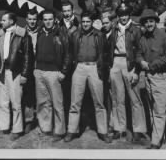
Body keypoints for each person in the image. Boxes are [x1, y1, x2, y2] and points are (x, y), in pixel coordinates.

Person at [65, 12, 112, 143]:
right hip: (79, 67)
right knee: (75, 102)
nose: (85, 24)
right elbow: (70, 53)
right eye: (83, 22)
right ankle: (71, 131)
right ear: (81, 22)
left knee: (99, 102)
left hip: (94, 68)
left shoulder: (100, 35)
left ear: (92, 22)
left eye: (88, 22)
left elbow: (106, 53)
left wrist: (103, 67)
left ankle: (103, 132)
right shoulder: (75, 35)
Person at [107, 3, 149, 143]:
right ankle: (120, 128)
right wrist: (110, 66)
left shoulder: (135, 30)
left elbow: (139, 51)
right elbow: (108, 47)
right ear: (118, 16)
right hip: (116, 63)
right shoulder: (114, 28)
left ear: (129, 15)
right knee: (117, 98)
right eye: (120, 15)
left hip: (130, 63)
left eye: (125, 14)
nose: (123, 17)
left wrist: (137, 70)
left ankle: (139, 130)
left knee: (135, 98)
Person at [0, 12, 33, 141]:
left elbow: (27, 56)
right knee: (2, 102)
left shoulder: (23, 34)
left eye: (4, 20)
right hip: (2, 72)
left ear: (12, 21)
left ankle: (17, 129)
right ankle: (4, 128)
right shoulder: (0, 34)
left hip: (16, 72)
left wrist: (25, 74)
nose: (1, 22)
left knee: (16, 102)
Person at [34, 10, 71, 142]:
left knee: (57, 103)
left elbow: (67, 53)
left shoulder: (61, 33)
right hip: (39, 71)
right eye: (45, 19)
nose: (48, 22)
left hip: (54, 72)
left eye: (50, 19)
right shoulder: (39, 32)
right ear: (42, 20)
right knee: (43, 102)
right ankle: (46, 128)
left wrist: (63, 72)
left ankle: (60, 131)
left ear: (54, 19)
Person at [139, 9, 166, 149]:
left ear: (156, 22)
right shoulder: (143, 38)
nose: (149, 24)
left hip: (159, 76)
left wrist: (151, 66)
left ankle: (155, 141)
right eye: (146, 22)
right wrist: (141, 61)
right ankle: (159, 136)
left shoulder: (165, 37)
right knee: (152, 109)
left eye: (151, 21)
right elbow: (138, 53)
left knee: (159, 109)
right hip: (147, 77)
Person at [23, 9, 40, 133]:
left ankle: (41, 120)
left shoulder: (41, 31)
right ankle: (29, 120)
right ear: (26, 20)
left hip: (39, 66)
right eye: (30, 19)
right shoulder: (22, 32)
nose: (32, 21)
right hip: (27, 68)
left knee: (41, 94)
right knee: (28, 95)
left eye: (34, 19)